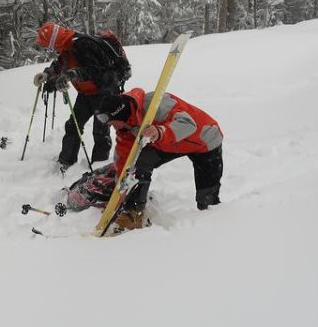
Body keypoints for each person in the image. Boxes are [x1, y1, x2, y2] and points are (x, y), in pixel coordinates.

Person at [93, 87, 224, 229]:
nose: (112, 126)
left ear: (120, 114)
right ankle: (134, 212)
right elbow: (124, 159)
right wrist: (121, 190)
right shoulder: (125, 128)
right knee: (140, 162)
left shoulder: (156, 103)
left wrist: (160, 131)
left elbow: (188, 124)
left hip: (204, 140)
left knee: (207, 199)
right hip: (168, 144)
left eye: (112, 122)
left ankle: (212, 227)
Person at [32, 22, 131, 171]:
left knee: (100, 131)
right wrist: (47, 74)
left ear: (54, 40)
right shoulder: (67, 46)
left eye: (49, 46)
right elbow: (61, 64)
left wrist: (72, 75)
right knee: (73, 126)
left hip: (105, 92)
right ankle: (66, 161)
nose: (50, 49)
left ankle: (99, 166)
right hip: (86, 94)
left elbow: (95, 70)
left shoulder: (82, 44)